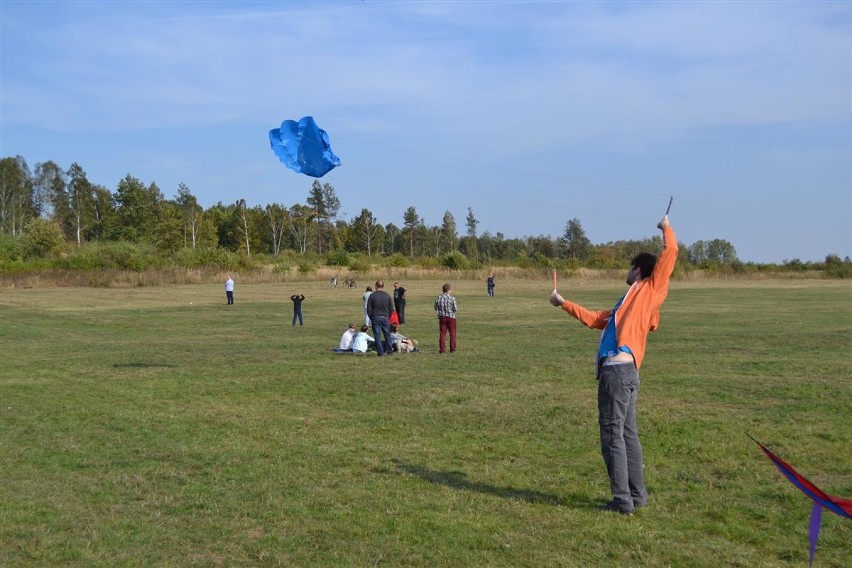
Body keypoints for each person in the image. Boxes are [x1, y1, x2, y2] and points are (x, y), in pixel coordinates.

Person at [549, 215, 677, 516]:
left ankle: (623, 501)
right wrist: (563, 303)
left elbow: (670, 254)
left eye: (629, 269)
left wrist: (665, 227)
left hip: (618, 374)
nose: (626, 273)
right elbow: (595, 319)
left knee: (612, 437)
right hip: (626, 374)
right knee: (628, 434)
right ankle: (637, 496)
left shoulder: (650, 289)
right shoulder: (627, 302)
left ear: (637, 270)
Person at [366, 280, 395, 356]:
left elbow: (369, 309)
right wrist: (388, 316)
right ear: (383, 286)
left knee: (377, 336)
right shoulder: (387, 295)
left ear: (375, 286)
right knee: (387, 335)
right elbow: (391, 308)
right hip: (385, 317)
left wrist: (371, 317)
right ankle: (389, 351)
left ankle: (380, 352)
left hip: (375, 317)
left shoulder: (372, 296)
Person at [434, 282, 458, 354]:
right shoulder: (452, 298)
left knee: (442, 334)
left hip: (442, 317)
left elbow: (435, 307)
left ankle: (442, 349)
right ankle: (452, 349)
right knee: (452, 333)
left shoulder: (439, 298)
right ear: (449, 290)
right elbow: (455, 309)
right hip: (451, 317)